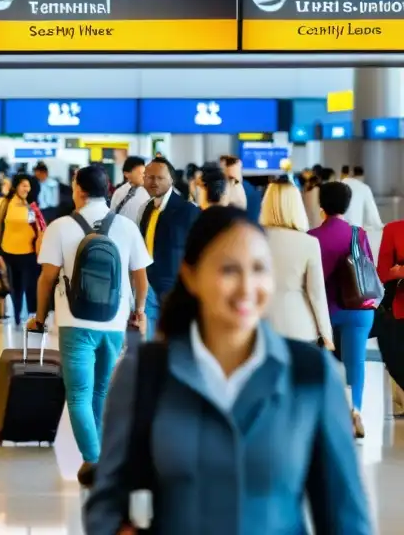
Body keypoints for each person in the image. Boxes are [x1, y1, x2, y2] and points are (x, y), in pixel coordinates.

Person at [83, 207, 372, 535]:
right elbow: (105, 503)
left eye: (260, 269)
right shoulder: (146, 372)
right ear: (190, 275)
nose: (247, 286)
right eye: (229, 270)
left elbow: (347, 517)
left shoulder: (309, 374)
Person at [29, 165, 150, 486]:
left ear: (78, 190)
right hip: (113, 321)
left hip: (74, 320)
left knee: (79, 393)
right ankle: (102, 457)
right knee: (100, 390)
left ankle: (93, 459)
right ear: (108, 189)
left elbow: (46, 278)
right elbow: (141, 277)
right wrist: (138, 311)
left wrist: (39, 318)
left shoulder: (60, 227)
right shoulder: (125, 226)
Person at [309, 181, 375, 439]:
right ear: (347, 205)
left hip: (326, 312)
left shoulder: (312, 237)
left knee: (324, 364)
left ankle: (328, 415)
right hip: (359, 310)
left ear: (321, 204)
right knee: (356, 363)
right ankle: (355, 412)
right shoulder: (359, 234)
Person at [260, 179, 334, 348]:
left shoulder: (254, 239)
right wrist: (326, 335)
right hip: (300, 327)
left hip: (263, 326)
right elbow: (316, 293)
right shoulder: (309, 243)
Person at [139, 157, 200, 340]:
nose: (153, 182)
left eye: (160, 178)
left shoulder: (187, 211)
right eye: (149, 177)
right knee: (149, 342)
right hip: (146, 284)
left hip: (173, 286)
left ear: (171, 180)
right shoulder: (147, 208)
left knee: (173, 341)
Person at [0, 173, 45, 326]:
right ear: (16, 186)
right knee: (15, 287)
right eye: (23, 185)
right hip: (9, 253)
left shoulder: (32, 205)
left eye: (28, 185)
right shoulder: (3, 203)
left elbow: (40, 228)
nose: (26, 188)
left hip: (29, 253)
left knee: (30, 286)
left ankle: (31, 317)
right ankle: (16, 317)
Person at [109, 156, 149, 223]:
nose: (144, 176)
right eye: (140, 173)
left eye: (144, 173)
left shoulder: (149, 192)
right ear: (126, 174)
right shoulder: (119, 192)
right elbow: (112, 213)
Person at [343, 165, 383, 233]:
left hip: (337, 229)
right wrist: (380, 226)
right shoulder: (364, 188)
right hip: (354, 231)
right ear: (362, 176)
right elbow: (372, 213)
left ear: (351, 173)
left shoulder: (340, 184)